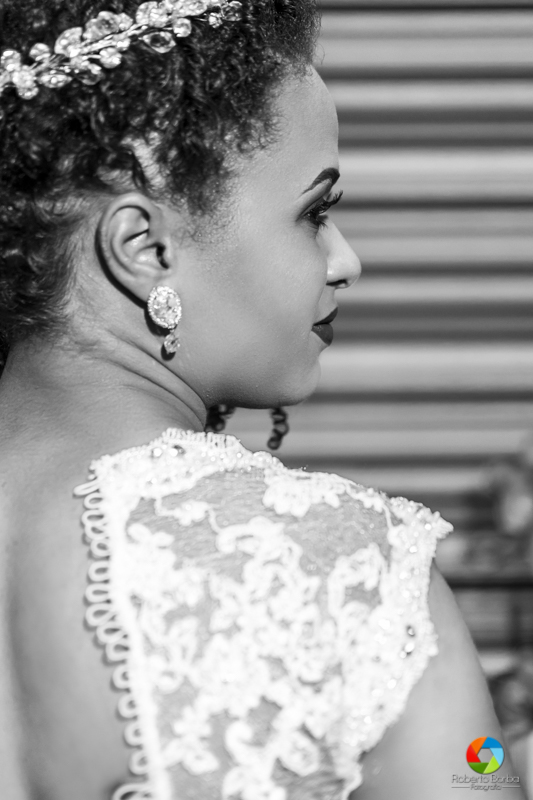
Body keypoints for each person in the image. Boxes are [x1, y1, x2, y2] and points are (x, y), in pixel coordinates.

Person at [0, 1, 523, 799]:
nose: (345, 261)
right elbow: (469, 776)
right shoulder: (349, 570)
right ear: (143, 248)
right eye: (315, 213)